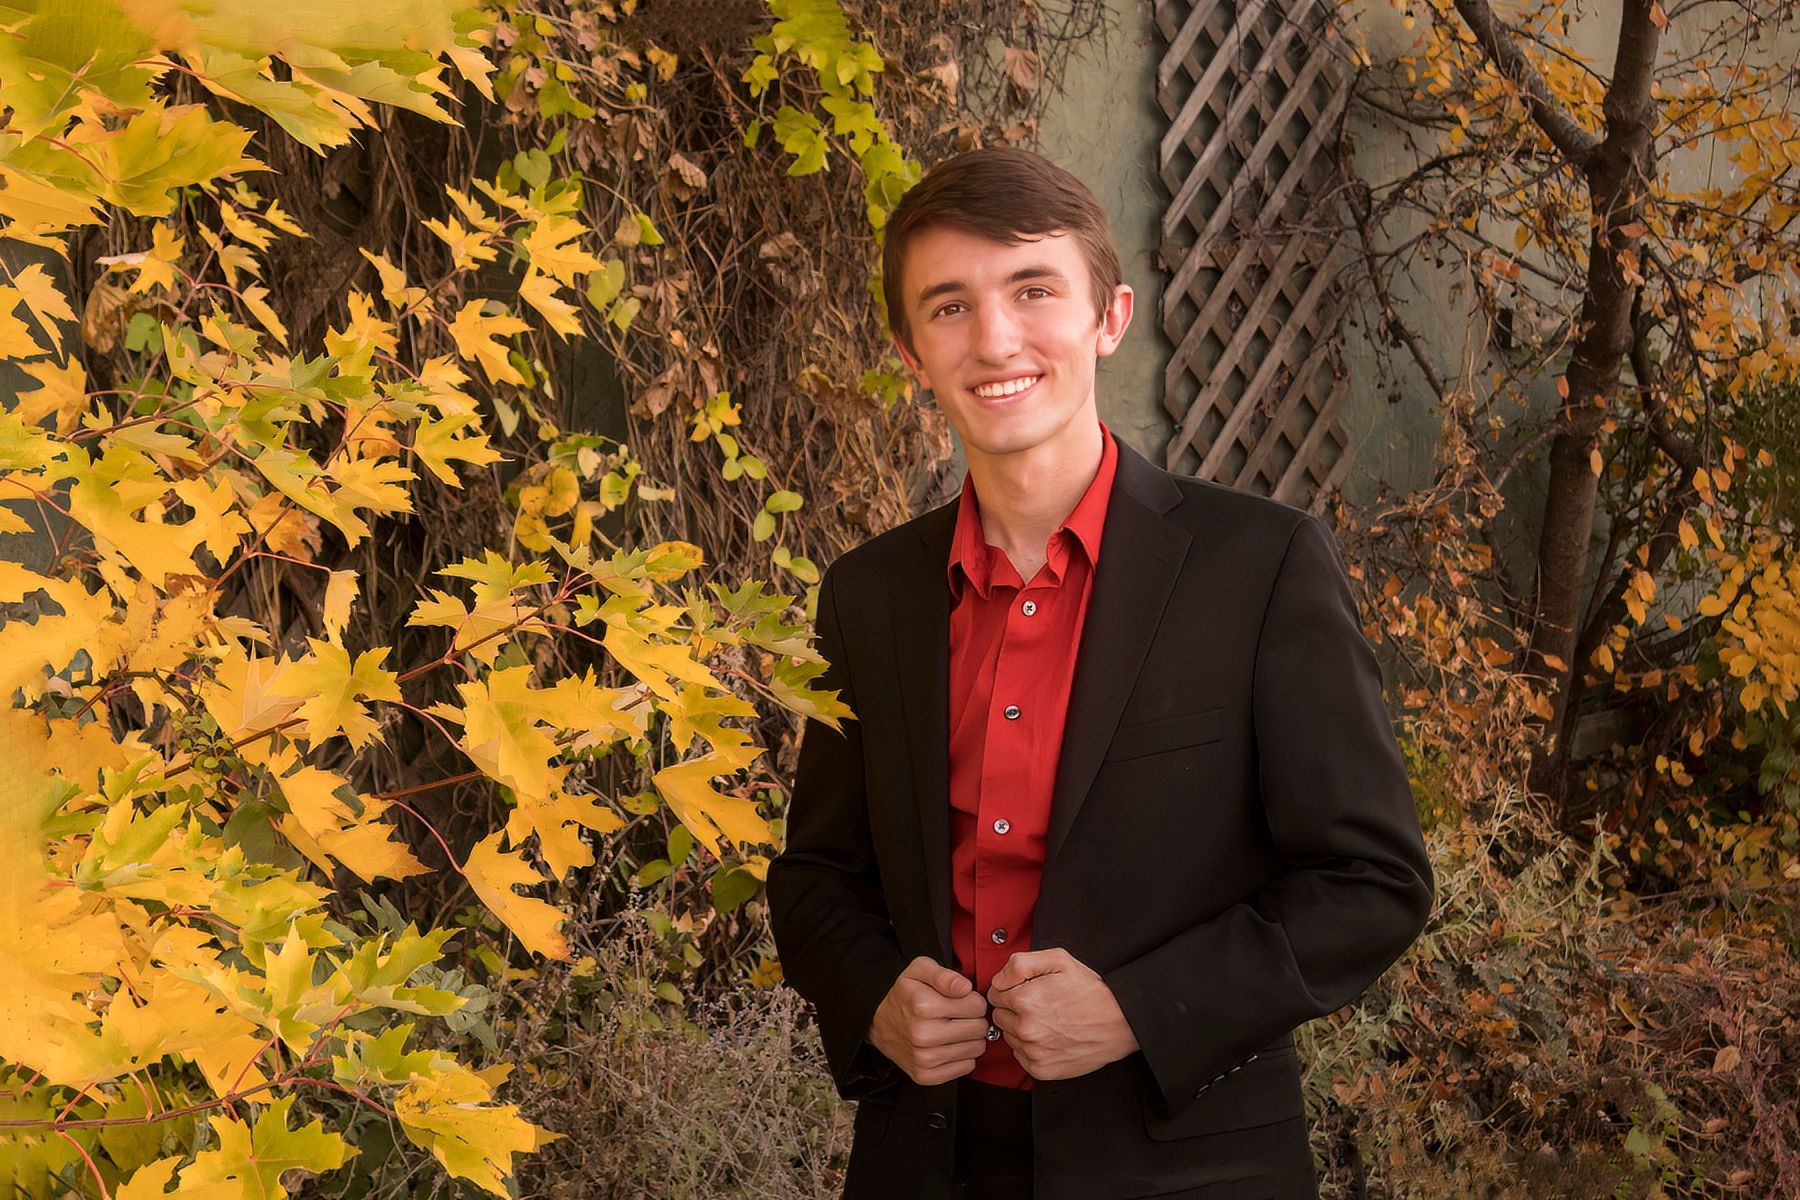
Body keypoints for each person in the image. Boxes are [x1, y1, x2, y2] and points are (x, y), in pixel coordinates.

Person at [765, 146, 1434, 1200]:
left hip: (1183, 1163)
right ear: (908, 351)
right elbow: (817, 881)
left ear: (1108, 317)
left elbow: (1373, 883)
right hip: (924, 1163)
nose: (994, 340)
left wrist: (1138, 1007)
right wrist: (875, 992)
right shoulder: (868, 595)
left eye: (1034, 291)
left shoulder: (1259, 568)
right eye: (949, 307)